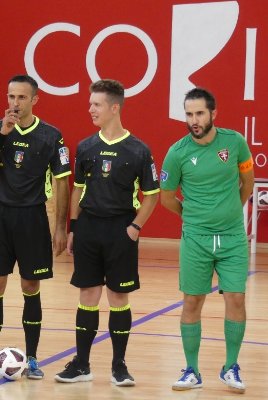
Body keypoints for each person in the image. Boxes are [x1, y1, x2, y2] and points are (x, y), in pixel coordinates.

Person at [0, 74, 71, 380]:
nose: (15, 103)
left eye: (22, 97)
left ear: (34, 100)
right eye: (11, 96)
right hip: (0, 215)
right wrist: (3, 135)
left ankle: (32, 359)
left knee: (30, 287)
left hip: (33, 218)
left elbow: (63, 182)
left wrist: (60, 227)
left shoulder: (51, 135)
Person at [54, 79, 159, 386]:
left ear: (115, 108)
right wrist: (73, 228)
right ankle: (81, 365)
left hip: (120, 230)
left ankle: (119, 366)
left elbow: (152, 194)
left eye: (96, 104)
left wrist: (135, 227)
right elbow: (77, 189)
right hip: (88, 228)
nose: (90, 109)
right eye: (91, 104)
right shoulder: (86, 146)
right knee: (88, 295)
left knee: (118, 296)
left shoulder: (139, 150)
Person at [160, 87, 254, 393]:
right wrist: (193, 217)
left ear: (213, 113)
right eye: (189, 114)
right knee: (192, 302)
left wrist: (229, 212)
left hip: (232, 238)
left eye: (199, 113)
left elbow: (248, 183)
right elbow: (166, 198)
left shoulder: (235, 142)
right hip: (195, 240)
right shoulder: (177, 152)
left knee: (236, 299)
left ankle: (231, 367)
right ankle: (192, 370)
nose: (194, 120)